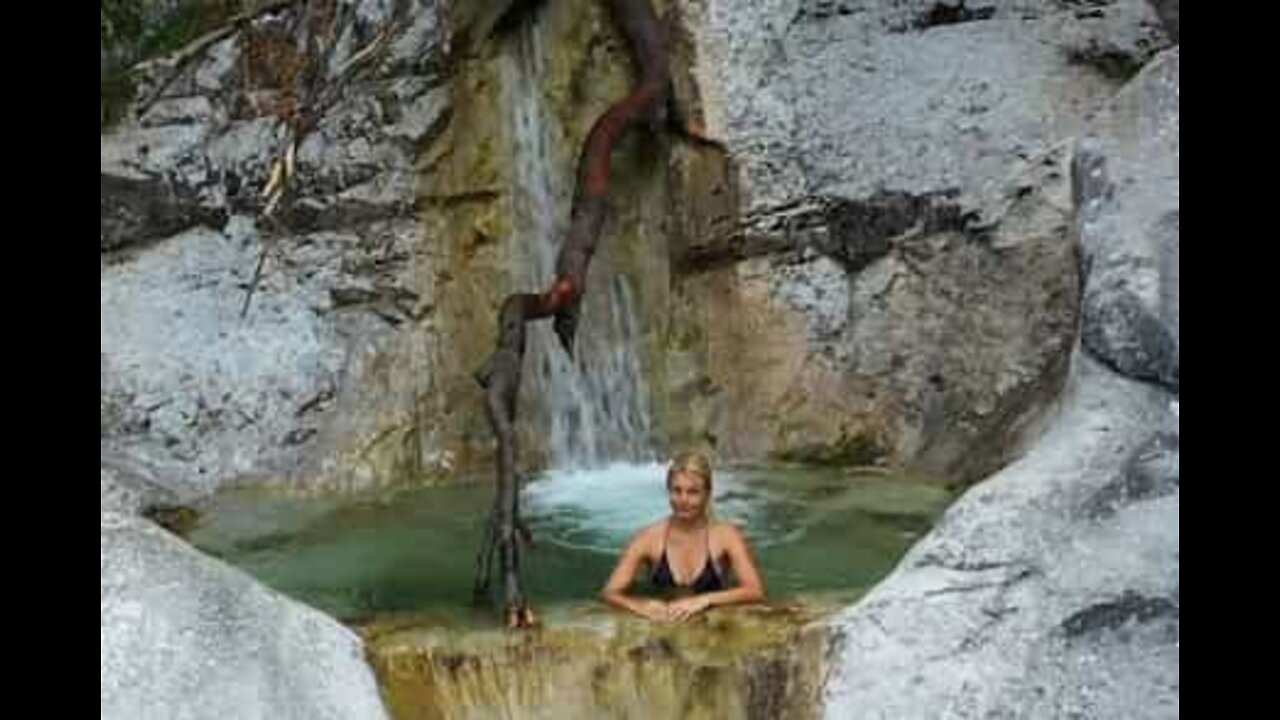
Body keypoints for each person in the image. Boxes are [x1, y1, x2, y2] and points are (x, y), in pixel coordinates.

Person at [600, 451, 766, 621]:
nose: (683, 500)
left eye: (693, 492)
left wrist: (705, 600)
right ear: (668, 491)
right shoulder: (648, 538)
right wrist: (640, 606)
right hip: (663, 627)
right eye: (677, 491)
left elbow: (755, 591)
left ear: (707, 494)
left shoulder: (726, 536)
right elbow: (609, 593)